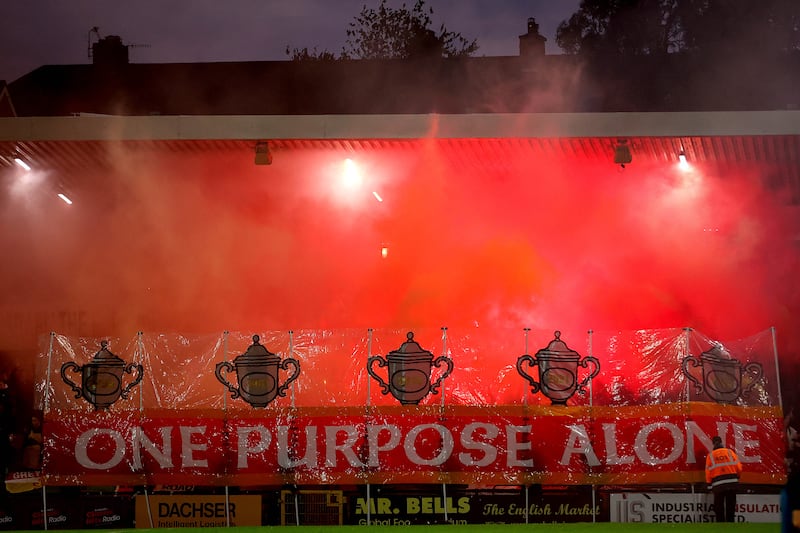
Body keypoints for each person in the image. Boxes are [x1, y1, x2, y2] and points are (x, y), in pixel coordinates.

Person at [705, 435, 743, 522]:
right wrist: (737, 476)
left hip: (718, 485)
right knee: (731, 506)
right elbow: (739, 467)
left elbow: (708, 472)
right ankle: (730, 524)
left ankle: (720, 525)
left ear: (713, 443)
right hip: (732, 483)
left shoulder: (710, 456)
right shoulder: (730, 452)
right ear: (721, 442)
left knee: (719, 507)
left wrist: (709, 485)